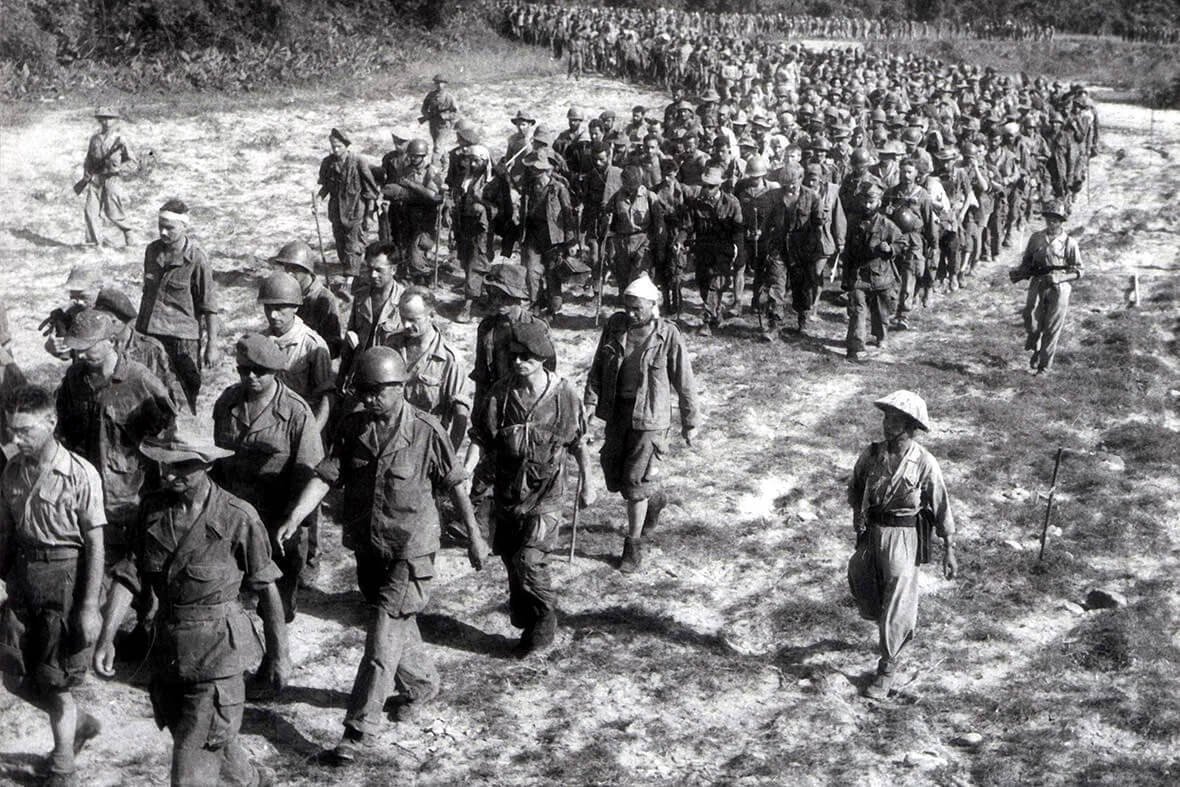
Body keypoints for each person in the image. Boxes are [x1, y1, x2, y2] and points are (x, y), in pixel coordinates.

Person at [275, 348, 488, 765]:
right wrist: (296, 516)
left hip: (412, 549)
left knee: (382, 635)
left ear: (401, 387)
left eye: (378, 391)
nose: (370, 399)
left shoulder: (426, 431)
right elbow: (328, 475)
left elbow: (456, 484)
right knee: (393, 621)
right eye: (364, 391)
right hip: (370, 546)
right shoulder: (353, 425)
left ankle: (359, 731)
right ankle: (421, 684)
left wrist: (475, 536)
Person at [94, 430, 289, 787]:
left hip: (218, 656)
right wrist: (107, 637)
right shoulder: (152, 510)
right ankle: (251, 781)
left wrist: (279, 655)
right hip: (168, 654)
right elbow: (129, 574)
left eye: (182, 466)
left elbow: (267, 588)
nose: (169, 474)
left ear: (208, 464)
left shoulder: (237, 517)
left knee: (189, 769)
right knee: (205, 738)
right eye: (164, 464)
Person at [0, 384, 107, 787]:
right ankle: (78, 723)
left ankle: (63, 768)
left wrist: (89, 608)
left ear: (51, 422)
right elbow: (6, 532)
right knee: (14, 674)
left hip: (65, 581)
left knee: (55, 679)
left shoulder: (80, 474)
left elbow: (95, 543)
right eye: (12, 430)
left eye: (25, 430)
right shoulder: (12, 470)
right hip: (23, 579)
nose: (16, 439)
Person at [468, 322, 594, 656]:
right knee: (512, 560)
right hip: (509, 494)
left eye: (526, 357)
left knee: (529, 561)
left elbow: (578, 443)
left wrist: (588, 483)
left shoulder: (563, 394)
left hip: (546, 495)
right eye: (513, 356)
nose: (518, 362)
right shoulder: (500, 393)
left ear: (542, 358)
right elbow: (482, 440)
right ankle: (529, 621)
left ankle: (545, 620)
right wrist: (469, 477)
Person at [212, 334, 323, 648]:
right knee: (232, 594)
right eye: (243, 369)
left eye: (259, 371)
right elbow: (218, 460)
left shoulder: (296, 412)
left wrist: (295, 521)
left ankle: (276, 656)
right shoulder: (228, 402)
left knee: (277, 603)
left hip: (278, 519)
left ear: (275, 371)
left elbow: (310, 473)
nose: (251, 377)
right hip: (235, 516)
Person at [846, 390, 958, 700]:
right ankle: (886, 626)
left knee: (898, 598)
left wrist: (949, 548)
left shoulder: (924, 461)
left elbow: (941, 504)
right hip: (873, 531)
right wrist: (858, 516)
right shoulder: (872, 454)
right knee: (859, 576)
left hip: (904, 535)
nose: (887, 424)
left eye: (894, 420)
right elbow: (856, 485)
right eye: (885, 417)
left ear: (910, 425)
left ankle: (887, 666)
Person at [584, 274, 699, 573]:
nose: (631, 313)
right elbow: (598, 366)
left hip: (651, 418)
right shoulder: (615, 326)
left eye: (637, 308)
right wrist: (590, 402)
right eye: (628, 307)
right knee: (614, 473)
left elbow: (684, 380)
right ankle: (654, 498)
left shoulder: (668, 334)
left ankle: (633, 546)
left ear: (652, 305)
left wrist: (690, 421)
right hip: (617, 412)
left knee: (635, 482)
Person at [55, 309, 176, 554]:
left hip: (130, 497)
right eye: (77, 348)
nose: (80, 354)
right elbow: (65, 431)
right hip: (87, 493)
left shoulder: (139, 379)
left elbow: (167, 436)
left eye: (87, 347)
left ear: (111, 341)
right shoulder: (74, 378)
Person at [136, 199, 220, 413]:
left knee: (186, 391)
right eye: (160, 226)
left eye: (169, 228)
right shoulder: (152, 251)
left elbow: (209, 305)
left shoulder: (197, 259)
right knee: (150, 391)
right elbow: (147, 294)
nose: (163, 232)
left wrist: (212, 345)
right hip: (151, 333)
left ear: (184, 227)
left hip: (183, 339)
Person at [383, 287, 470, 450]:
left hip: (425, 445)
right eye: (402, 318)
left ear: (431, 316)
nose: (406, 325)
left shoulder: (449, 359)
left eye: (413, 319)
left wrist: (448, 456)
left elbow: (460, 416)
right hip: (388, 438)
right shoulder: (391, 344)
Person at [1009, 199, 1082, 375]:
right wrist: (1021, 271)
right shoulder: (1036, 238)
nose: (1051, 222)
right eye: (1048, 218)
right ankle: (1036, 347)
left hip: (1059, 288)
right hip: (1038, 283)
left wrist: (1061, 277)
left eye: (1055, 219)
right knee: (1031, 319)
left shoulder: (1069, 242)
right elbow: (1027, 260)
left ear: (1061, 221)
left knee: (1052, 327)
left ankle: (1044, 367)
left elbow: (1080, 270)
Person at [258, 272, 334, 430]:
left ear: (295, 307)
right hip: (267, 423)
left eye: (279, 308)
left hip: (302, 424)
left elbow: (326, 397)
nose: (273, 315)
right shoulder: (260, 341)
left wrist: (313, 433)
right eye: (268, 307)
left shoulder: (312, 346)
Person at [842, 183, 903, 362]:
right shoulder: (853, 223)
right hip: (858, 275)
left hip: (880, 275)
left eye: (871, 202)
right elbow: (848, 252)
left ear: (879, 202)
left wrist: (890, 249)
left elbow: (901, 242)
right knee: (857, 310)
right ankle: (856, 347)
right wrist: (846, 277)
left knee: (881, 311)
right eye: (864, 201)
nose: (867, 205)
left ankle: (881, 335)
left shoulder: (886, 225)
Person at [682, 165, 743, 335]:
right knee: (703, 283)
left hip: (723, 250)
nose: (707, 189)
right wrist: (680, 241)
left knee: (715, 284)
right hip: (703, 249)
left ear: (719, 186)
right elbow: (687, 226)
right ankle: (716, 312)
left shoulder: (731, 203)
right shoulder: (696, 203)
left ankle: (706, 321)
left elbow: (738, 230)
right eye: (705, 185)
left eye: (711, 186)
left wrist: (740, 254)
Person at [318, 128, 380, 293]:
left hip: (355, 210)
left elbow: (370, 190)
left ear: (346, 145)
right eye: (333, 146)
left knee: (353, 244)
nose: (335, 150)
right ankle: (350, 273)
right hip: (336, 211)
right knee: (340, 243)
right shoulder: (328, 163)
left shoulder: (358, 161)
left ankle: (350, 280)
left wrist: (369, 215)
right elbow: (325, 187)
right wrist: (317, 201)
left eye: (339, 146)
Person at [339, 242, 405, 386]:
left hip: (388, 378)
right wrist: (341, 378)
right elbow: (350, 341)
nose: (373, 275)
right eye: (369, 269)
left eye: (379, 270)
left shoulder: (404, 302)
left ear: (393, 269)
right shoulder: (361, 297)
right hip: (361, 372)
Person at [269, 240, 345, 359]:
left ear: (307, 270)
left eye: (294, 268)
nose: (289, 273)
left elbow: (334, 347)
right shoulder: (284, 292)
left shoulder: (324, 299)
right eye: (286, 267)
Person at [80, 107, 136, 247]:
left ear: (115, 120)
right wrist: (86, 172)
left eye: (109, 118)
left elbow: (133, 162)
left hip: (111, 179)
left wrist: (119, 169)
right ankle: (94, 242)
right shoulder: (95, 139)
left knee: (113, 212)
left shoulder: (120, 140)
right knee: (90, 211)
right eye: (103, 118)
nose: (106, 122)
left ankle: (128, 233)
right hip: (95, 179)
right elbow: (89, 159)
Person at [41, 265, 102, 361]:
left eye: (84, 297)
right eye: (73, 297)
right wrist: (52, 347)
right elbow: (66, 355)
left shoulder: (111, 314)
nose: (78, 302)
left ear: (99, 289)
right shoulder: (74, 313)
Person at [419, 74, 458, 158]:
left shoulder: (449, 97)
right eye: (437, 83)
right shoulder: (431, 95)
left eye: (442, 83)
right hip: (433, 124)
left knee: (438, 147)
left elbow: (456, 113)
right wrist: (427, 115)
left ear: (445, 84)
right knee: (439, 145)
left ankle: (434, 164)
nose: (439, 85)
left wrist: (445, 116)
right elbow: (423, 108)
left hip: (444, 125)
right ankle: (445, 162)